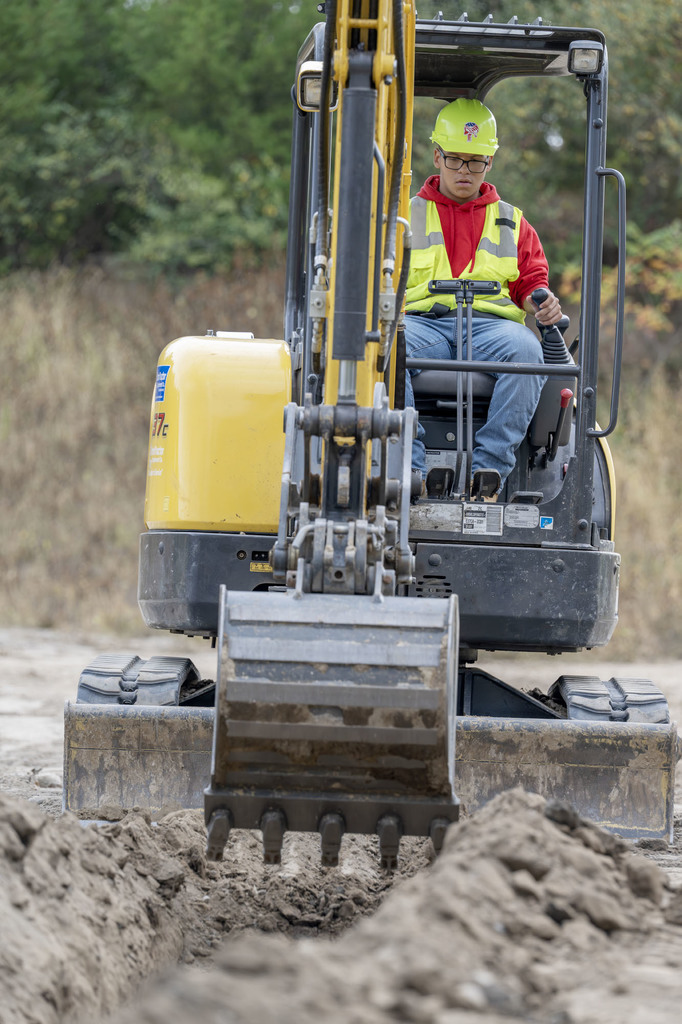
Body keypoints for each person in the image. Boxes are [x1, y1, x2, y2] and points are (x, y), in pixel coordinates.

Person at [404, 97, 563, 499]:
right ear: (437, 156)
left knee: (528, 351)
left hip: (490, 331)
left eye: (475, 161)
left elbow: (530, 283)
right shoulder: (403, 217)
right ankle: (410, 469)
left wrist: (540, 303)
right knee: (384, 345)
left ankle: (488, 473)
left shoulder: (512, 222)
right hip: (421, 326)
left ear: (489, 162)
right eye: (455, 159)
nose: (464, 170)